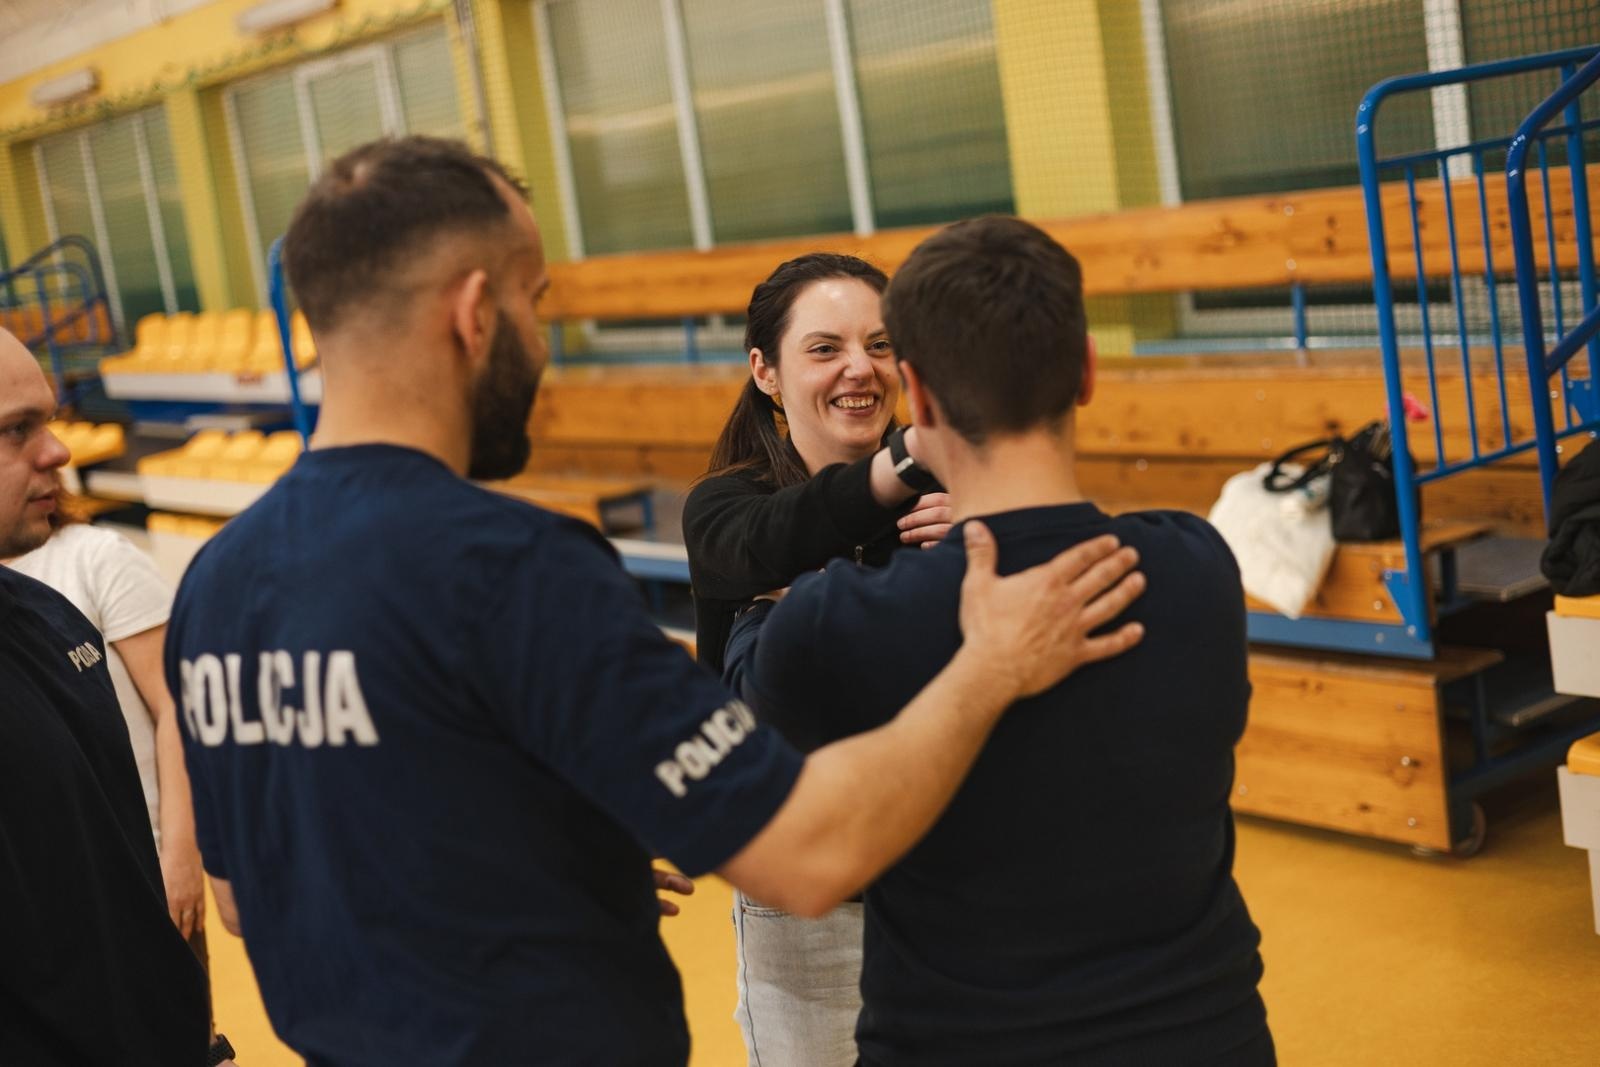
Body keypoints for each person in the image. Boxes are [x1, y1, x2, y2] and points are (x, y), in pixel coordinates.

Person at [164, 136, 1148, 1066]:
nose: (539, 339)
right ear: (474, 312)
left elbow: (257, 894)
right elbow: (806, 854)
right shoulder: (518, 566)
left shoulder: (215, 582)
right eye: (533, 301)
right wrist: (990, 666)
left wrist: (557, 844)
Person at [730, 216, 1274, 1066]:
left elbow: (766, 816)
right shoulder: (1198, 568)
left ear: (922, 396)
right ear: (1087, 372)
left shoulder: (832, 624)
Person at [683, 252, 951, 1066]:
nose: (859, 369)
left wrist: (978, 530)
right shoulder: (729, 506)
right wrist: (899, 472)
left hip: (952, 877)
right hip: (811, 902)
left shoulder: (951, 483)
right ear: (764, 370)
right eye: (825, 347)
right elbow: (774, 541)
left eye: (877, 344)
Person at [0, 327, 210, 1064]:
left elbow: (172, 712)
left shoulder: (51, 608)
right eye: (15, 429)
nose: (58, 451)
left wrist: (179, 851)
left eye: (47, 422)